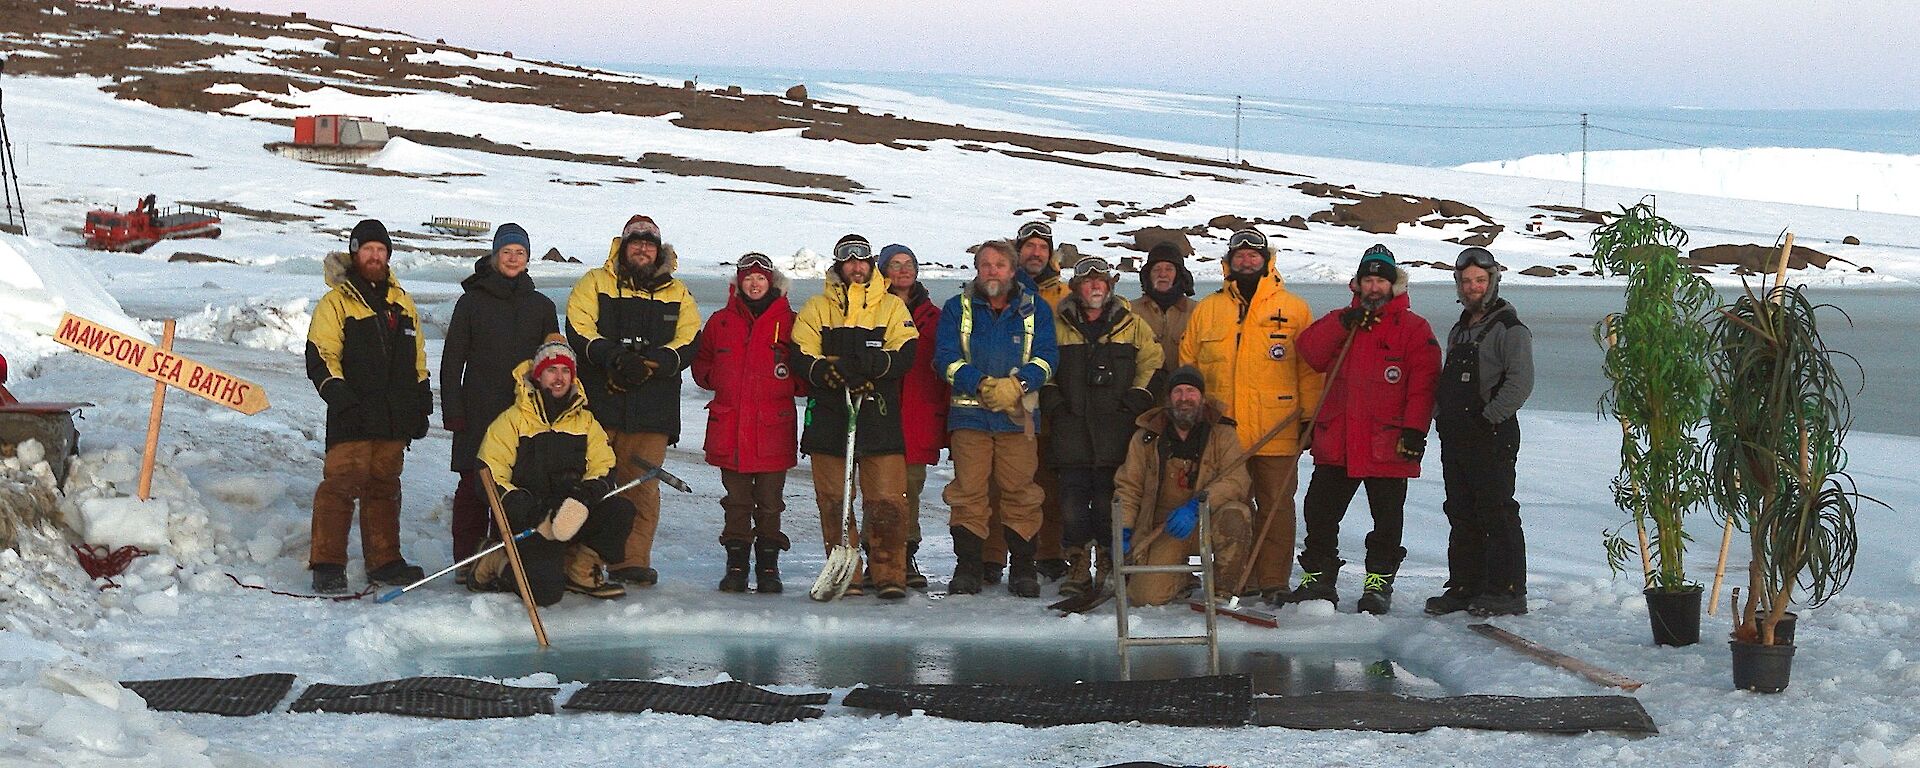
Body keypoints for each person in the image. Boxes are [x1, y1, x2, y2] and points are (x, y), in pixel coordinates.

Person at [1288, 244, 1440, 614]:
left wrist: (1414, 431)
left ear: (1394, 286)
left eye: (1380, 281)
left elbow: (1424, 384)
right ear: (1357, 284)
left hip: (1387, 444)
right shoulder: (1342, 320)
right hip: (1338, 440)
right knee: (1319, 513)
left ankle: (1378, 582)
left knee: (1386, 521)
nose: (1374, 288)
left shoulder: (1414, 328)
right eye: (1368, 280)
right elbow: (1309, 352)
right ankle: (1319, 578)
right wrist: (1343, 323)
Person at [1180, 229, 1321, 602]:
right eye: (1239, 255)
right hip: (1223, 433)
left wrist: (1308, 417)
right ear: (1229, 261)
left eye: (1253, 255)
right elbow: (1189, 364)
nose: (1246, 260)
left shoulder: (1294, 309)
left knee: (1275, 507)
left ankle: (1273, 581)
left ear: (1266, 260)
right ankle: (1238, 579)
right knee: (1230, 508)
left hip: (1279, 427)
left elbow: (1309, 369)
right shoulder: (1208, 308)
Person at [565, 214, 699, 586]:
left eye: (649, 243)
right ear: (623, 247)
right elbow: (578, 327)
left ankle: (630, 560)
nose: (642, 248)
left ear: (659, 250)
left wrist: (653, 365)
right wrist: (613, 357)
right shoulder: (595, 282)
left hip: (652, 412)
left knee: (640, 486)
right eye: (635, 242)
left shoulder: (678, 292)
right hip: (599, 406)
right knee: (591, 481)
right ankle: (578, 559)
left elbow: (688, 339)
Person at [303, 219, 431, 594]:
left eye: (381, 250)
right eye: (368, 249)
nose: (375, 256)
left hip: (393, 417)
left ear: (388, 255)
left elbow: (418, 357)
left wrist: (421, 400)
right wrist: (340, 398)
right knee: (341, 486)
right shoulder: (337, 302)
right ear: (355, 253)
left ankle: (385, 562)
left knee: (384, 489)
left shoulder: (401, 301)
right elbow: (320, 354)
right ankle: (327, 563)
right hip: (353, 413)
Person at [790, 234, 918, 600]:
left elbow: (905, 350)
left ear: (871, 264)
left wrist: (873, 366)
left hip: (878, 414)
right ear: (838, 265)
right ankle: (848, 572)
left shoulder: (891, 307)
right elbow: (803, 352)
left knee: (888, 500)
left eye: (862, 259)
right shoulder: (817, 307)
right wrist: (829, 373)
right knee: (833, 499)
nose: (856, 266)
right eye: (848, 260)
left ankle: (890, 572)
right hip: (832, 415)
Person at [470, 336, 635, 604]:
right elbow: (490, 476)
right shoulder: (511, 421)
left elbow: (604, 466)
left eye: (565, 371)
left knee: (619, 510)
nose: (559, 378)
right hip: (531, 522)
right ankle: (496, 558)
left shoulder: (586, 422)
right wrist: (529, 509)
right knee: (545, 594)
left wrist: (584, 495)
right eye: (551, 370)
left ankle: (578, 569)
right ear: (538, 375)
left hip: (569, 514)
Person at [935, 239, 1059, 597]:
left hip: (1017, 418)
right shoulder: (956, 308)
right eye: (985, 265)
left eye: (999, 265)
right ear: (977, 269)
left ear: (1012, 270)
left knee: (1021, 493)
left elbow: (1048, 357)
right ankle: (969, 567)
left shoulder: (1036, 309)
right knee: (968, 494)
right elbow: (944, 356)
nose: (992, 271)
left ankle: (1022, 568)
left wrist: (1017, 384)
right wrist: (979, 383)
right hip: (969, 418)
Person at [440, 223, 559, 579]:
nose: (512, 258)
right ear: (495, 255)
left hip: (524, 414)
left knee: (515, 488)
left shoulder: (542, 306)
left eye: (519, 253)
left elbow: (554, 361)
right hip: (478, 409)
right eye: (506, 252)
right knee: (473, 488)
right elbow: (451, 362)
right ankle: (467, 562)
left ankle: (503, 562)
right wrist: (453, 410)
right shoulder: (471, 302)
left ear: (527, 258)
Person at [1042, 255, 1162, 597]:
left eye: (1101, 281)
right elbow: (1041, 362)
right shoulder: (1057, 323)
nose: (1095, 286)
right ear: (1076, 287)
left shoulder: (1132, 323)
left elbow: (1153, 363)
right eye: (1087, 281)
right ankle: (1077, 565)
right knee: (1072, 504)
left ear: (1109, 286)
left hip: (1117, 432)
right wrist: (1053, 401)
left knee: (1113, 502)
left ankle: (1110, 562)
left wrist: (1136, 400)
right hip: (1071, 432)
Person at [1427, 247, 1535, 617]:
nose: (1472, 286)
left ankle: (1506, 590)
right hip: (1456, 435)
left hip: (1492, 434)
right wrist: (1442, 415)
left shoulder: (1510, 329)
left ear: (1492, 282)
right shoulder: (1459, 329)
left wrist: (1488, 419)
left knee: (1497, 512)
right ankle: (1465, 586)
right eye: (1466, 280)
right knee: (1460, 511)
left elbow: (1520, 384)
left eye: (1480, 280)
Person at [691, 253, 800, 594]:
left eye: (760, 278)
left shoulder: (791, 321)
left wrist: (789, 383)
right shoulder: (721, 321)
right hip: (731, 426)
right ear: (739, 282)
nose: (754, 284)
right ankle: (736, 565)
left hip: (773, 427)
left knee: (770, 503)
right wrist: (717, 377)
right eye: (748, 278)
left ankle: (769, 567)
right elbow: (702, 361)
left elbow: (805, 364)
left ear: (771, 282)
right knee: (736, 502)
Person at [1110, 367, 1254, 606]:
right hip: (1165, 528)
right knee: (1145, 597)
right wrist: (1123, 530)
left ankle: (1223, 589)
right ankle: (1181, 578)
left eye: (1191, 391)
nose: (1184, 398)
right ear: (1168, 399)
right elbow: (1128, 487)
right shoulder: (1146, 438)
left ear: (1202, 397)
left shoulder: (1223, 433)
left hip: (1208, 520)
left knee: (1237, 515)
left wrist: (1196, 507)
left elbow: (1236, 481)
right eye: (1178, 391)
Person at [980, 220, 1071, 583]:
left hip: (1054, 405)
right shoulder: (999, 291)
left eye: (1042, 247)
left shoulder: (1065, 295)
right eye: (1028, 246)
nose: (1035, 253)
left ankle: (1050, 553)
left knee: (1048, 486)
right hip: (1008, 406)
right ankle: (990, 556)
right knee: (999, 484)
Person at [880, 243, 946, 590]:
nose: (903, 270)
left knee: (909, 490)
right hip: (878, 413)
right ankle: (879, 556)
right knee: (877, 490)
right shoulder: (870, 309)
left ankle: (906, 556)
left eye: (908, 264)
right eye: (894, 264)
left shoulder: (934, 317)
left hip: (918, 415)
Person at [1131, 242, 1196, 376]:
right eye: (1156, 269)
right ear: (1148, 275)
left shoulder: (1197, 312)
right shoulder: (1130, 311)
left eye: (1169, 269)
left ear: (1179, 274)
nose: (1162, 274)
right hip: (1141, 393)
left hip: (1183, 394)